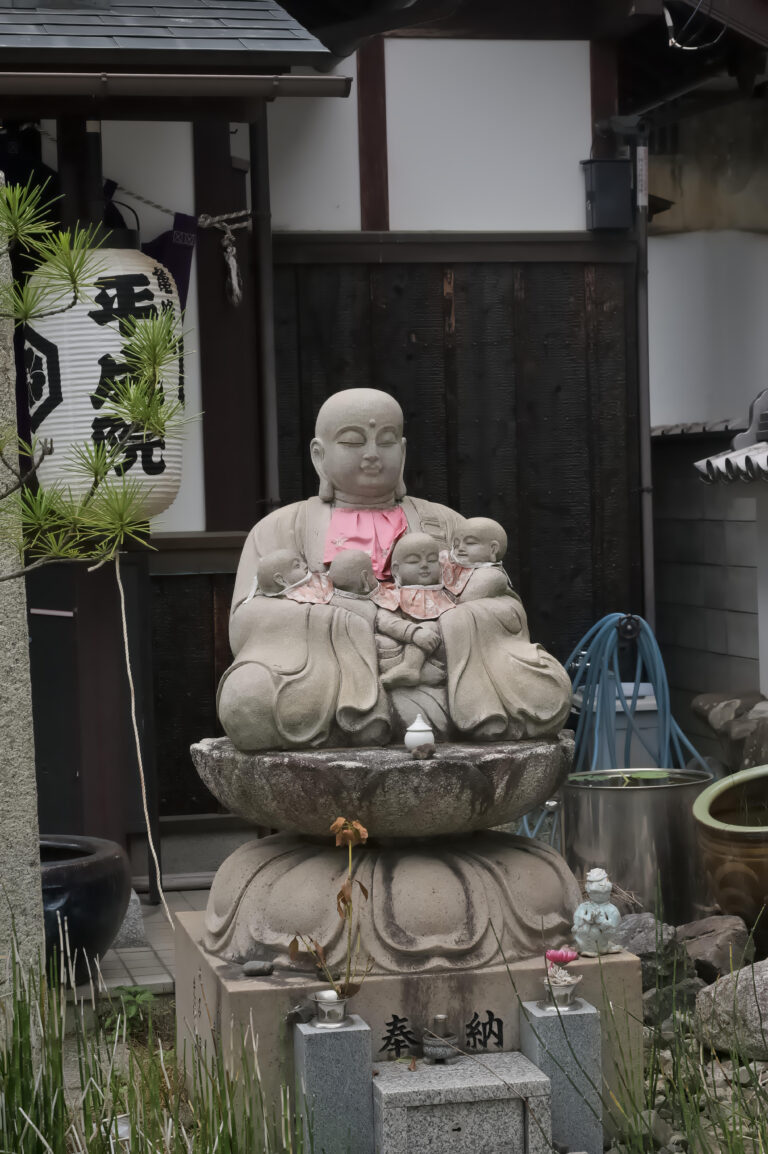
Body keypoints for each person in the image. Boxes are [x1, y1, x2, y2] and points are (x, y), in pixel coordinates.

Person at [217, 388, 571, 750]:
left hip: (442, 671)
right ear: (319, 456)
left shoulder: (446, 523)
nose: (372, 454)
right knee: (246, 703)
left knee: (548, 692)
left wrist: (446, 626)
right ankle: (372, 705)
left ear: (401, 452)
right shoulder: (280, 527)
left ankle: (418, 709)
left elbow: (506, 610)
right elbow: (246, 624)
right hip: (329, 676)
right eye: (353, 442)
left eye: (386, 441)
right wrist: (353, 624)